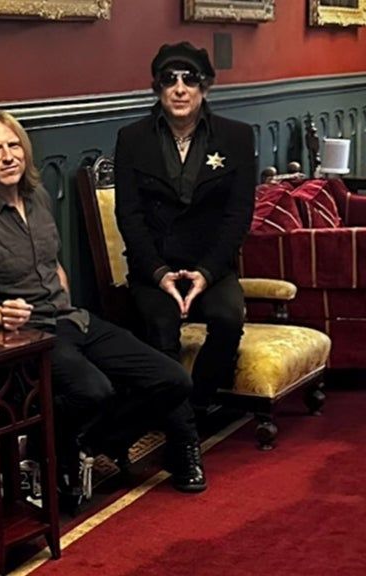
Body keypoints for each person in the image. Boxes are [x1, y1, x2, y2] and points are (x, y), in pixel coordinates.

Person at [0, 111, 206, 496]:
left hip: (74, 319)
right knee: (94, 391)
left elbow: (54, 265)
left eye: (14, 145)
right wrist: (1, 313)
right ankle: (58, 450)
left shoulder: (38, 198)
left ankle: (90, 443)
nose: (8, 156)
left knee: (173, 379)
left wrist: (64, 298)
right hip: (32, 334)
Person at [114, 41, 255, 408]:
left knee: (228, 319)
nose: (179, 89)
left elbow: (238, 216)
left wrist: (206, 273)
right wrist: (159, 273)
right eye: (169, 79)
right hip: (154, 269)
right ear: (157, 87)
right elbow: (129, 216)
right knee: (160, 328)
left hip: (213, 268)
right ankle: (175, 416)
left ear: (204, 87)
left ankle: (198, 404)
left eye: (189, 79)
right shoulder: (131, 139)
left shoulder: (237, 137)